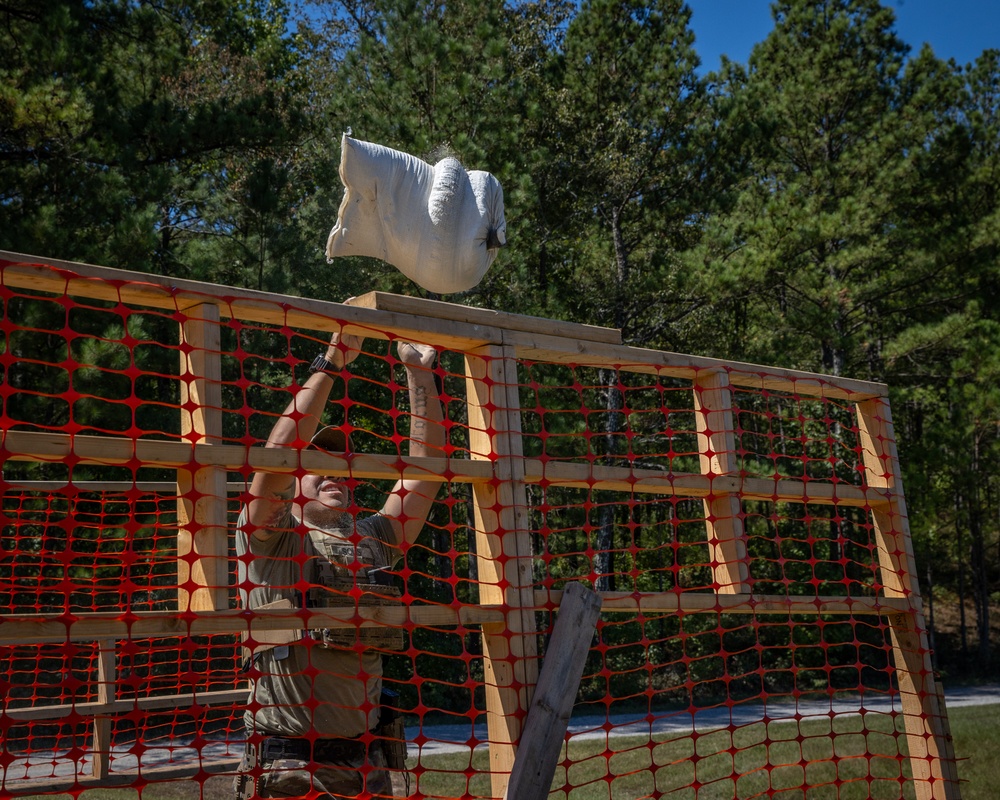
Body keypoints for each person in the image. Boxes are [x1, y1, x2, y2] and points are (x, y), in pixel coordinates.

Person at [233, 316, 445, 800]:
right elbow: (277, 453)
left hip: (365, 759)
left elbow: (426, 473)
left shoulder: (370, 536)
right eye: (317, 467)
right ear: (292, 482)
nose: (336, 475)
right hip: (288, 762)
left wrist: (419, 373)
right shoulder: (270, 534)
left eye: (340, 467)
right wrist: (331, 363)